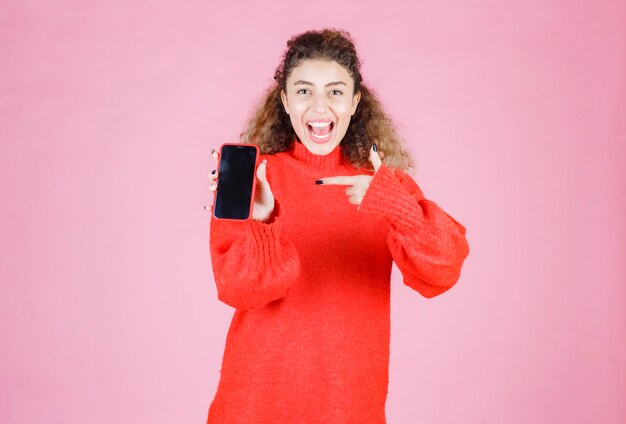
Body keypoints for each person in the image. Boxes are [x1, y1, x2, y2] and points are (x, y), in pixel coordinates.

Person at [205, 28, 470, 423]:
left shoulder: (383, 187)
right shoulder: (257, 179)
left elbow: (443, 270)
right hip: (254, 403)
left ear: (354, 102)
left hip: (347, 408)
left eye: (334, 91)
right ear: (285, 101)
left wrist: (394, 204)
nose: (319, 106)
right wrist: (262, 223)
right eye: (303, 90)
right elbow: (238, 290)